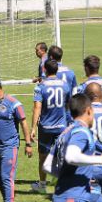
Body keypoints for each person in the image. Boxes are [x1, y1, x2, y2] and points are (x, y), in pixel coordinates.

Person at [30, 60, 71, 193]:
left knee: (43, 156)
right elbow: (68, 105)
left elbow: (37, 108)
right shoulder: (65, 85)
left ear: (44, 70)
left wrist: (33, 128)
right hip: (61, 126)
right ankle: (62, 184)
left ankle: (42, 185)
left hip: (45, 127)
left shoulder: (40, 87)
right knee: (62, 155)